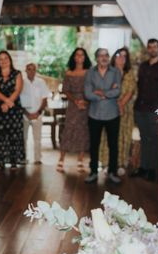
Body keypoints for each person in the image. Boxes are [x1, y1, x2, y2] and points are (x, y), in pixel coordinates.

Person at [84, 48, 122, 185]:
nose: (104, 58)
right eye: (101, 55)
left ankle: (112, 172)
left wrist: (101, 93)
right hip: (94, 115)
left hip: (112, 114)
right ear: (96, 58)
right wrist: (107, 93)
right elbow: (87, 93)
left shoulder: (115, 71)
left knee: (113, 145)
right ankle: (93, 172)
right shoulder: (90, 73)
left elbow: (118, 91)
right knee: (94, 145)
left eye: (106, 55)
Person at [99, 47, 136, 175]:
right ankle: (106, 164)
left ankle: (120, 164)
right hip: (109, 109)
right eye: (119, 55)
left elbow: (131, 91)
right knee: (108, 137)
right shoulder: (107, 72)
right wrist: (116, 104)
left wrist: (121, 104)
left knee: (123, 137)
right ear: (114, 57)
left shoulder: (129, 73)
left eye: (125, 56)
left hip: (125, 112)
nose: (121, 58)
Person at [132, 38, 158, 181]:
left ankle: (152, 170)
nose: (152, 49)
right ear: (148, 48)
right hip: (140, 108)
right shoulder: (143, 66)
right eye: (150, 47)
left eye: (155, 47)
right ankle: (143, 168)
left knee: (154, 140)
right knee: (144, 139)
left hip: (155, 109)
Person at [57, 48, 91, 173]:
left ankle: (80, 161)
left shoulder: (90, 72)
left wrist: (85, 102)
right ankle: (61, 160)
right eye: (77, 54)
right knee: (68, 130)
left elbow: (92, 89)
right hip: (73, 105)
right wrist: (76, 101)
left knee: (83, 132)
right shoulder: (69, 73)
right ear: (74, 57)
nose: (79, 56)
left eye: (82, 54)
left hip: (86, 105)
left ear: (85, 57)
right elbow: (65, 90)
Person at [0, 51, 25, 169]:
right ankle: (1, 161)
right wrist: (7, 101)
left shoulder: (17, 74)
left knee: (14, 134)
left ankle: (14, 160)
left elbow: (18, 90)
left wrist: (9, 103)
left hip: (14, 109)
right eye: (0, 59)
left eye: (5, 58)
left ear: (10, 60)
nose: (3, 61)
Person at [20, 63, 51, 164]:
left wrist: (38, 113)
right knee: (23, 138)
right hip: (25, 115)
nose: (31, 71)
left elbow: (45, 99)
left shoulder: (41, 82)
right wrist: (26, 113)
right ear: (26, 70)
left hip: (38, 115)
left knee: (37, 138)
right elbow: (18, 100)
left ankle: (37, 159)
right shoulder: (22, 83)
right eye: (29, 69)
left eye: (33, 69)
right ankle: (23, 158)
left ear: (36, 71)